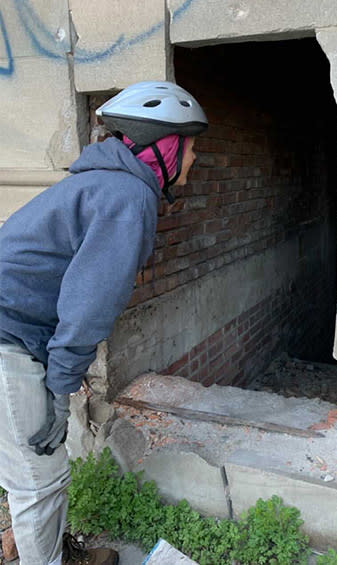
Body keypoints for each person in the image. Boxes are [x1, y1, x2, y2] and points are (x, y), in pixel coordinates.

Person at [0, 81, 207, 565]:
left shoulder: (100, 183)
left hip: (14, 329)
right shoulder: (127, 196)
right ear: (164, 147)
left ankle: (47, 550)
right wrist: (60, 387)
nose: (195, 161)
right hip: (7, 336)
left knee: (31, 470)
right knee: (39, 479)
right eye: (192, 148)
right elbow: (89, 303)